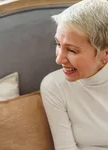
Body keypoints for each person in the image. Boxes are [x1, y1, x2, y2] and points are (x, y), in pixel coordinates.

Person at [40, 0, 108, 150]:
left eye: (72, 50)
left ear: (106, 54)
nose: (59, 59)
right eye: (58, 44)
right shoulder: (54, 86)